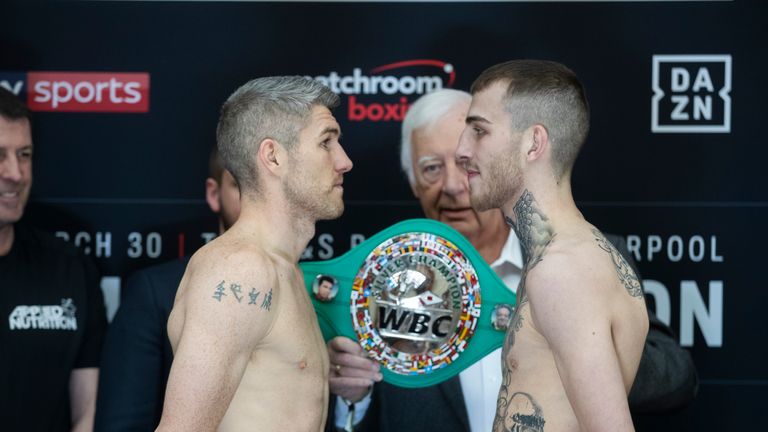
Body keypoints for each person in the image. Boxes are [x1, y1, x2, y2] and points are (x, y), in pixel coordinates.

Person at [328, 88, 697, 431]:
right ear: (413, 182)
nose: (454, 187)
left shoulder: (587, 258)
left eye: (464, 164)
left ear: (496, 166)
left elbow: (677, 380)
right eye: (431, 169)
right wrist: (356, 396)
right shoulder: (378, 284)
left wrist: (584, 349)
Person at [457, 59, 648, 431]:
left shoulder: (564, 270)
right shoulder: (566, 256)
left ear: (533, 143)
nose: (462, 150)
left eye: (479, 131)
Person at [156, 76, 353, 432]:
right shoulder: (240, 270)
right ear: (273, 157)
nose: (344, 161)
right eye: (326, 142)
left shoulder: (283, 270)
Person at [94, 146, 241, 431]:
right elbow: (122, 424)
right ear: (214, 194)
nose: (256, 200)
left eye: (266, 187)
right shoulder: (156, 293)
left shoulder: (313, 291)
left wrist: (355, 400)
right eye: (241, 185)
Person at [0, 87, 107, 431]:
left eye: (25, 154)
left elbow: (87, 410)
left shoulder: (70, 269)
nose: (16, 173)